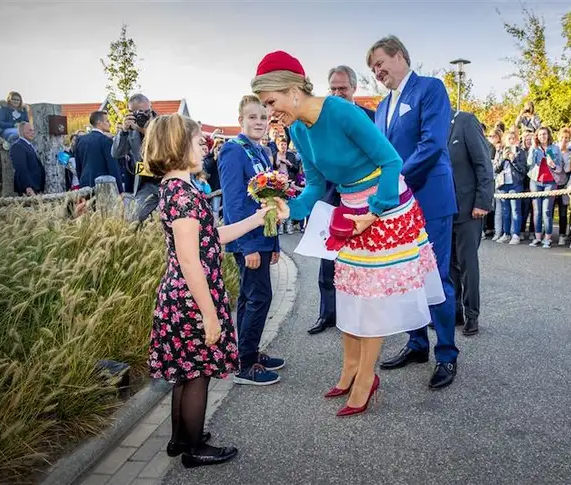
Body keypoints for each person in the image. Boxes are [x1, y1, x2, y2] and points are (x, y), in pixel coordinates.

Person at [252, 50, 444, 414]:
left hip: (386, 206)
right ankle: (350, 370)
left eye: (271, 102)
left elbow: (391, 161)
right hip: (351, 210)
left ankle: (366, 378)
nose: (270, 112)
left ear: (293, 90)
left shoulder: (341, 111)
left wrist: (373, 213)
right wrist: (289, 208)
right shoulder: (297, 129)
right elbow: (314, 185)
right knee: (351, 293)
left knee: (371, 299)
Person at [145, 113, 288, 468]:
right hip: (192, 297)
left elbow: (212, 237)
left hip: (185, 294)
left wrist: (257, 219)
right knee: (198, 373)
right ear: (178, 146)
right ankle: (194, 449)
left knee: (186, 370)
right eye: (198, 142)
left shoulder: (179, 189)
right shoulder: (183, 195)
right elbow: (190, 260)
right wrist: (209, 314)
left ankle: (181, 438)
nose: (204, 147)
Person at [365, 36, 458, 389]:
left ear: (400, 55)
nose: (377, 72)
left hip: (430, 197)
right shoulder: (381, 107)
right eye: (372, 69)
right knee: (406, 275)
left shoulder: (430, 89)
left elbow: (431, 144)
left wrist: (396, 181)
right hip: (398, 205)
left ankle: (446, 354)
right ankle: (417, 343)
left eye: (379, 63)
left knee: (436, 276)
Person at [219, 95, 284, 386]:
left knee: (250, 297)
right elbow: (233, 203)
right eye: (252, 117)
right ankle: (245, 365)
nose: (259, 122)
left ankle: (248, 352)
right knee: (259, 297)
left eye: (263, 117)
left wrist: (275, 243)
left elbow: (270, 201)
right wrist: (247, 246)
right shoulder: (233, 150)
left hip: (264, 237)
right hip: (248, 239)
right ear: (240, 120)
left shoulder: (262, 151)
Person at [308, 65, 376, 336]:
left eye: (343, 89)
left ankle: (367, 316)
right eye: (333, 89)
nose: (337, 94)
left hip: (364, 199)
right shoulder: (318, 121)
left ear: (354, 88)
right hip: (330, 197)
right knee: (328, 259)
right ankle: (327, 314)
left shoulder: (370, 118)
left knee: (365, 259)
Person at [448, 110, 494, 337]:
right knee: (449, 264)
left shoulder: (465, 121)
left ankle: (472, 314)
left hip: (469, 208)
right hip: (445, 209)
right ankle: (455, 311)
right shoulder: (432, 126)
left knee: (467, 264)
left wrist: (482, 202)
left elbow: (483, 163)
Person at [111, 93, 158, 221]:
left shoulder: (163, 123)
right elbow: (116, 153)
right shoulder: (131, 128)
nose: (142, 116)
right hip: (146, 183)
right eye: (136, 113)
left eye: (145, 112)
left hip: (167, 179)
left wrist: (140, 129)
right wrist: (124, 131)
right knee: (134, 216)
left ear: (150, 108)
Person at [527, 126, 563, 248]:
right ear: (537, 136)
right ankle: (537, 237)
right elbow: (529, 163)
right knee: (537, 211)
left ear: (548, 135)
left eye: (545, 134)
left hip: (550, 182)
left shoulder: (555, 148)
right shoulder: (535, 148)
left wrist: (553, 165)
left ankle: (547, 238)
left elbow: (559, 167)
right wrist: (533, 147)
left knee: (546, 211)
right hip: (535, 181)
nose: (543, 136)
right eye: (540, 134)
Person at [75, 111, 124, 192]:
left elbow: (78, 166)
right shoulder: (106, 140)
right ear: (99, 123)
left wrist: (81, 182)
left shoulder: (80, 140)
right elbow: (113, 167)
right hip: (103, 186)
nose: (110, 124)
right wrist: (119, 189)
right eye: (107, 121)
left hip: (84, 184)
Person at [493, 130, 526, 245]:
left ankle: (515, 234)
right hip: (503, 185)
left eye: (513, 138)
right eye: (509, 139)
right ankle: (506, 233)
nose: (511, 141)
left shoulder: (520, 152)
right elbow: (495, 169)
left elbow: (523, 170)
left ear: (516, 140)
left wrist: (513, 160)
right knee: (505, 211)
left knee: (515, 210)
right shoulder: (500, 151)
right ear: (505, 140)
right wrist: (503, 158)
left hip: (515, 184)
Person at [9, 122, 45, 196]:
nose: (32, 132)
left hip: (35, 186)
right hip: (28, 188)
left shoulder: (28, 145)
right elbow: (21, 168)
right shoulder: (18, 146)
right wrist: (27, 186)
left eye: (33, 130)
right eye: (30, 130)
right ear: (22, 131)